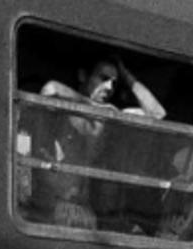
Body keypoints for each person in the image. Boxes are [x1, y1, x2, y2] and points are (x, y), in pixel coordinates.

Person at [31, 56, 167, 228]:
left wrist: (127, 77)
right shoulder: (67, 107)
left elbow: (157, 114)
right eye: (103, 79)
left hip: (85, 210)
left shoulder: (109, 115)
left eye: (114, 83)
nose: (109, 87)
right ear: (83, 75)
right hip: (53, 205)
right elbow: (50, 89)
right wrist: (94, 106)